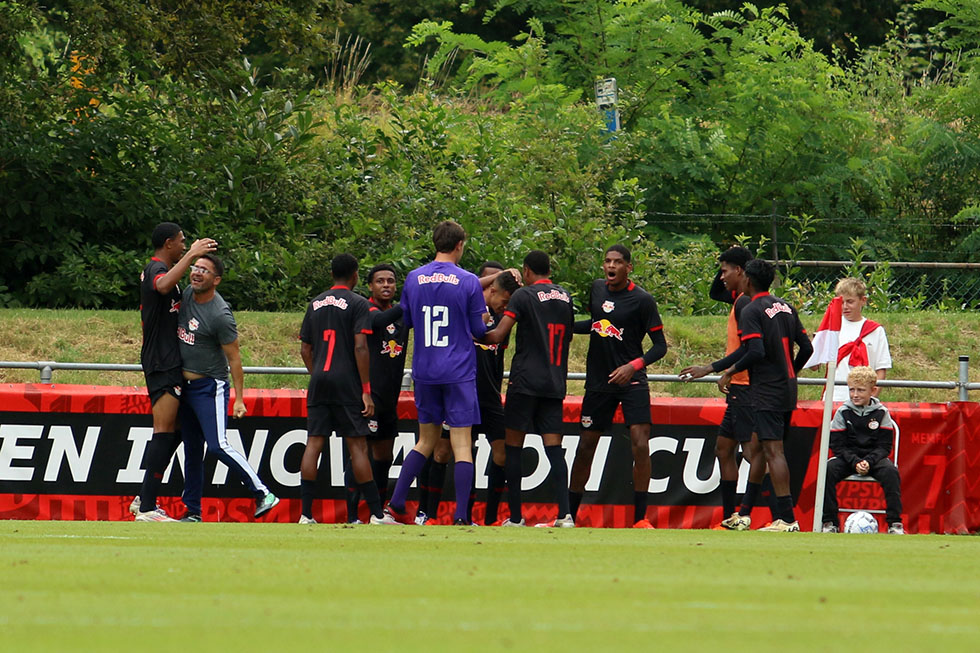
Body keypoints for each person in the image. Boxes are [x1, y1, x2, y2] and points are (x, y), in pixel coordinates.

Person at [382, 220, 490, 526]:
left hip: (425, 370)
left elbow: (409, 320)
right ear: (459, 245)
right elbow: (479, 331)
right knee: (461, 444)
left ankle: (396, 503)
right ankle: (459, 516)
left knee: (424, 440)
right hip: (457, 370)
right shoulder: (468, 281)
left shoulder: (414, 278)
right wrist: (484, 321)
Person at [568, 245, 668, 529]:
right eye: (607, 261)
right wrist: (565, 324)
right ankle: (569, 516)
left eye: (617, 262)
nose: (610, 266)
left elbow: (660, 346)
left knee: (640, 444)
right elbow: (598, 323)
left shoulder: (642, 300)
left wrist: (633, 366)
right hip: (599, 382)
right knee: (586, 446)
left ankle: (640, 519)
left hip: (631, 380)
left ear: (628, 267)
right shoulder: (597, 289)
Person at [679, 246, 776, 530]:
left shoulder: (746, 304)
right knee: (724, 448)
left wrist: (714, 368)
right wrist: (730, 261)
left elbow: (750, 348)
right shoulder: (740, 299)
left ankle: (779, 514)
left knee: (751, 454)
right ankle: (730, 516)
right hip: (738, 388)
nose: (720, 277)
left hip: (746, 386)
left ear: (741, 272)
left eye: (725, 270)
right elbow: (714, 292)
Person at [177, 253, 279, 521]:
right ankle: (193, 511)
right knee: (191, 448)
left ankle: (262, 493)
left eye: (205, 270)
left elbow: (234, 359)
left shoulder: (220, 314)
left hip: (210, 386)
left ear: (217, 280)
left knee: (218, 445)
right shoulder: (187, 293)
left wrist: (239, 399)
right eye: (195, 268)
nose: (197, 273)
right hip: (184, 387)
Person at [416, 262, 520, 525]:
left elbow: (498, 359)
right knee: (443, 452)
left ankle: (489, 517)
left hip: (489, 397)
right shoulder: (463, 311)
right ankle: (427, 512)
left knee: (501, 453)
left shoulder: (501, 319)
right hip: (460, 392)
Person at [716, 259, 813, 532]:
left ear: (748, 280)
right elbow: (806, 347)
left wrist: (728, 371)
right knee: (759, 449)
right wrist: (790, 371)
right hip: (786, 387)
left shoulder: (752, 309)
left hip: (766, 389)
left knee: (773, 451)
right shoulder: (786, 306)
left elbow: (755, 351)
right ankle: (743, 514)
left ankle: (786, 518)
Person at [480, 251, 575, 527]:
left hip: (524, 382)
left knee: (513, 448)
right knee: (554, 448)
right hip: (555, 381)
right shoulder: (565, 296)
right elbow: (566, 333)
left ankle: (517, 517)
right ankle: (565, 515)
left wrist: (469, 332)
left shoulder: (523, 296)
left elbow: (498, 335)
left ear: (527, 271)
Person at [131, 222, 216, 522]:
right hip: (161, 360)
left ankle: (145, 494)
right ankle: (147, 507)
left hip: (170, 360)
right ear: (169, 244)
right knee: (164, 431)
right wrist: (192, 255)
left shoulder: (167, 272)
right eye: (181, 242)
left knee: (177, 430)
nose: (184, 245)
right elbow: (163, 286)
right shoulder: (156, 269)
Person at [298, 254, 383, 525]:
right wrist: (366, 389)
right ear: (355, 275)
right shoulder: (358, 304)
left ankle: (305, 514)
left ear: (332, 274)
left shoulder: (315, 303)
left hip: (319, 380)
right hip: (347, 383)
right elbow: (360, 346)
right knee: (357, 446)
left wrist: (318, 373)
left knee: (314, 443)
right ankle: (376, 514)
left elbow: (305, 348)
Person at [821, 366, 903, 534]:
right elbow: (837, 446)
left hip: (874, 459)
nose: (855, 394)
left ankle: (895, 524)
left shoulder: (882, 413)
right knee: (827, 470)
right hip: (848, 458)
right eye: (852, 390)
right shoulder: (843, 412)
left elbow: (885, 447)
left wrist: (869, 461)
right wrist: (856, 461)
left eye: (860, 390)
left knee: (891, 472)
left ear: (873, 390)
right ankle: (830, 523)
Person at [825, 277, 892, 402]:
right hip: (834, 396)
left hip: (863, 399)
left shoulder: (876, 331)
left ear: (863, 300)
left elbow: (881, 369)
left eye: (850, 302)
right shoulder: (832, 327)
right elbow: (815, 365)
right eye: (841, 302)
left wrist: (871, 397)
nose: (845, 307)